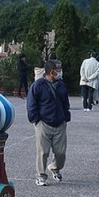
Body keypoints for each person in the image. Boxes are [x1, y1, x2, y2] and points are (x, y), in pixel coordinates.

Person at [27, 58, 70, 186]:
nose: (60, 72)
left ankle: (55, 167)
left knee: (61, 153)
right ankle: (40, 175)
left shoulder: (61, 85)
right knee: (42, 152)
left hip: (60, 122)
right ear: (51, 72)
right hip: (43, 123)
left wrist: (66, 117)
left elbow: (65, 103)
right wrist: (35, 120)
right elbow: (31, 104)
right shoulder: (37, 85)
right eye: (58, 70)